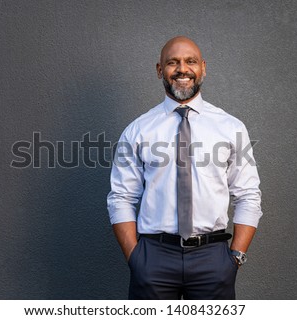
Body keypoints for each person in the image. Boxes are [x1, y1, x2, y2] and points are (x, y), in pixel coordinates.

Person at [107, 36, 262, 300]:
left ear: (203, 67)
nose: (182, 69)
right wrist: (136, 259)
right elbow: (120, 197)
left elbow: (248, 195)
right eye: (172, 62)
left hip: (213, 259)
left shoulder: (230, 127)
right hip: (153, 257)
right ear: (159, 70)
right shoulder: (138, 130)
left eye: (190, 61)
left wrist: (235, 257)